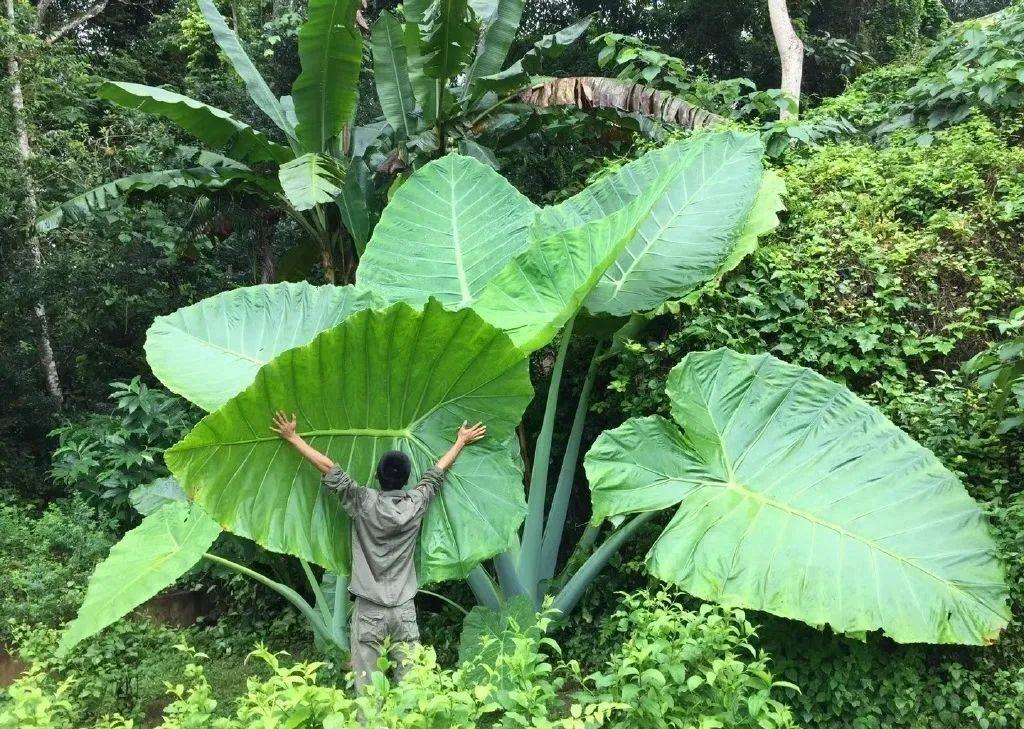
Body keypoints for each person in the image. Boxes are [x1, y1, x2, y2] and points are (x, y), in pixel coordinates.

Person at [270, 411, 487, 692]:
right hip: (404, 609)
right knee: (411, 688)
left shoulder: (363, 502)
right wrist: (460, 441)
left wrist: (293, 437)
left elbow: (329, 469)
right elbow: (436, 473)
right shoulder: (415, 503)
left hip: (370, 609)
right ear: (407, 480)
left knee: (368, 689)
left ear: (376, 476)